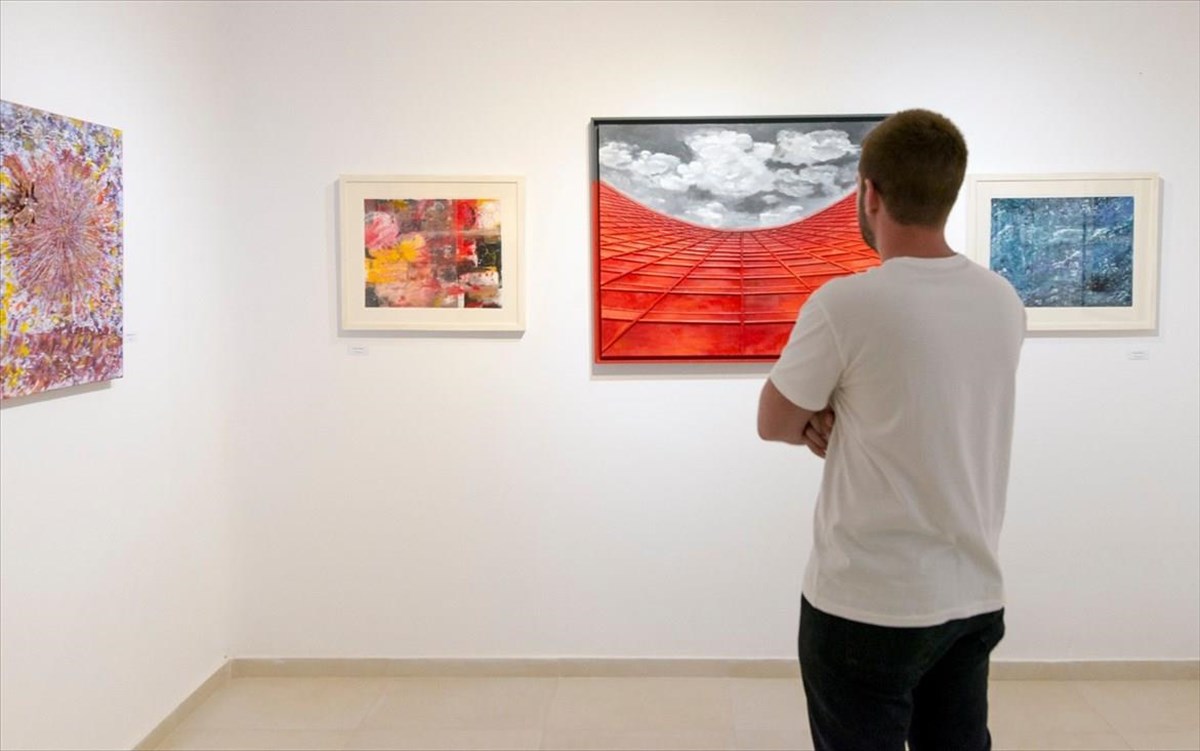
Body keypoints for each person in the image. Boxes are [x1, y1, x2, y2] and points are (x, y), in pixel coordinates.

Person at [757, 109, 1026, 751]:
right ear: (950, 192)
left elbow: (774, 420)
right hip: (971, 593)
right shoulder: (1002, 300)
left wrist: (821, 417)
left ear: (869, 193)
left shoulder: (846, 303)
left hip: (866, 602)